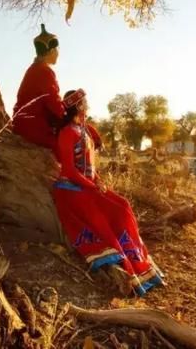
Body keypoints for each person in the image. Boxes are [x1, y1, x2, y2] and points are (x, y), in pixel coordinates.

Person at [52, 89, 164, 296]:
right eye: (85, 101)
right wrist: (92, 186)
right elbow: (69, 170)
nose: (88, 104)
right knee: (105, 218)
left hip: (88, 185)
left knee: (123, 205)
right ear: (78, 106)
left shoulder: (84, 130)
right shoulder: (67, 132)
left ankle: (140, 264)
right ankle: (122, 264)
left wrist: (98, 181)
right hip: (71, 189)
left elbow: (90, 166)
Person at [12, 24, 65, 150]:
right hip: (34, 129)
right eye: (57, 49)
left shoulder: (32, 69)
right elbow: (55, 105)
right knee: (69, 144)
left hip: (22, 125)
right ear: (51, 51)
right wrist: (68, 115)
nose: (58, 53)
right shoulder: (44, 72)